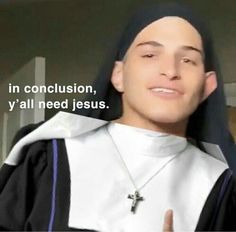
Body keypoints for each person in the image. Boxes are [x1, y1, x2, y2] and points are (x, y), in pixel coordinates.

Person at [0, 3, 236, 231]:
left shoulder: (223, 186)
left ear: (208, 85)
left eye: (187, 60)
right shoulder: (46, 155)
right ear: (118, 75)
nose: (171, 71)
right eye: (150, 55)